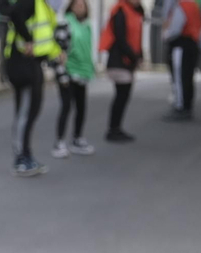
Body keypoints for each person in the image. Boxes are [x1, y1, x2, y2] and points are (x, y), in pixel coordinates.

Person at [0, 0, 59, 175]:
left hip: (32, 63)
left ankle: (26, 155)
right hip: (22, 63)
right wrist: (28, 39)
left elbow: (46, 34)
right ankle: (20, 158)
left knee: (31, 111)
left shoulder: (42, 5)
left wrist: (56, 53)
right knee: (25, 112)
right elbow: (15, 14)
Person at [51, 0, 95, 158]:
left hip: (82, 73)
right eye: (76, 5)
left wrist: (90, 69)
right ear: (71, 7)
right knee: (66, 107)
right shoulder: (65, 24)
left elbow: (87, 50)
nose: (79, 8)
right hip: (68, 73)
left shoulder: (86, 26)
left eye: (82, 5)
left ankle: (77, 138)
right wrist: (62, 75)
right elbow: (59, 52)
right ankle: (59, 142)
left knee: (81, 107)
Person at [101, 0, 143, 141]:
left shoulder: (135, 12)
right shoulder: (120, 12)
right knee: (121, 96)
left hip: (127, 61)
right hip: (119, 61)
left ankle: (116, 128)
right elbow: (121, 38)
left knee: (123, 96)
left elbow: (137, 37)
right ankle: (113, 129)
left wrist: (138, 55)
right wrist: (134, 57)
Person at [161, 0, 201, 121]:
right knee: (187, 77)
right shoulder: (193, 5)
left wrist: (165, 35)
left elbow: (175, 29)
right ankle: (187, 106)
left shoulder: (181, 6)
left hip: (181, 46)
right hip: (192, 45)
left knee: (180, 77)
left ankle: (181, 107)